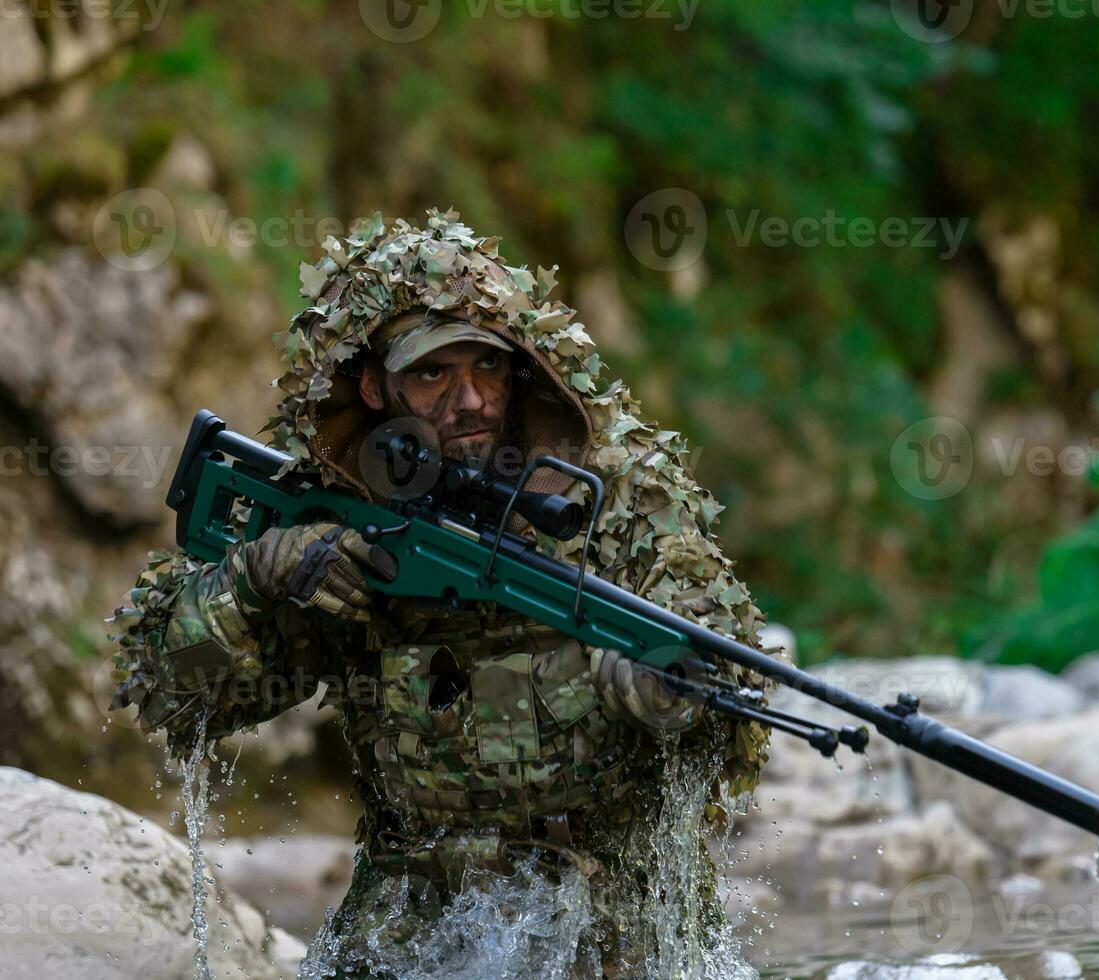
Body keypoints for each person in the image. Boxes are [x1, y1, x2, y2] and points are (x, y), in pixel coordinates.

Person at [108, 210, 771, 977]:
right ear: (373, 385)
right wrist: (253, 581)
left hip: (606, 934)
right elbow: (167, 693)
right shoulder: (333, 507)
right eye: (431, 374)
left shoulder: (616, 489)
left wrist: (661, 688)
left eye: (486, 370)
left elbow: (726, 657)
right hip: (406, 935)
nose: (469, 402)